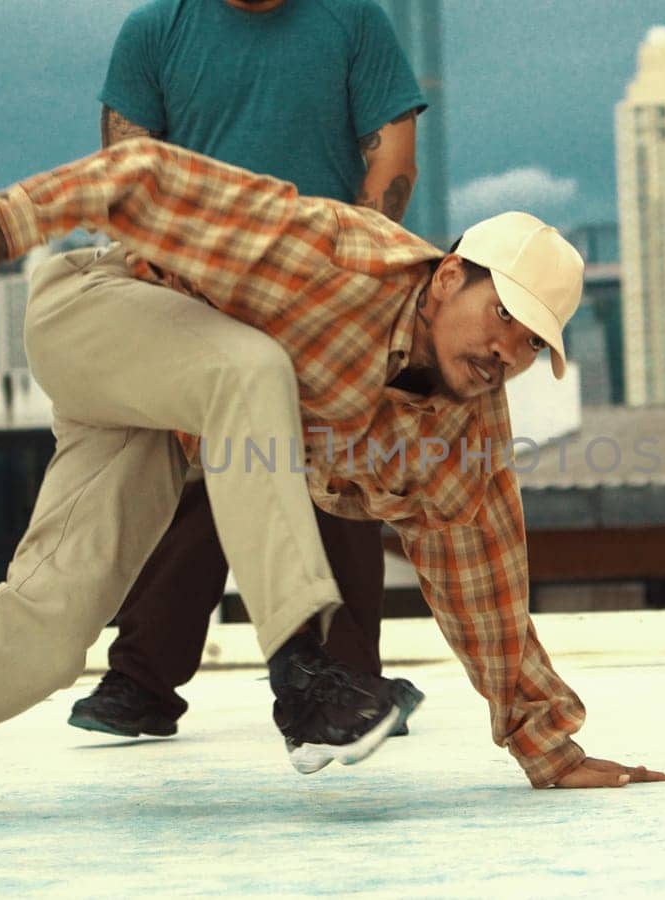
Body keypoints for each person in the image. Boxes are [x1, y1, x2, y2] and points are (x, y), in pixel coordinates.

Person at [0, 138, 665, 833]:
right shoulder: (334, 256)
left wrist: (547, 745)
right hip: (98, 312)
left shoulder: (462, 435)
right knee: (252, 368)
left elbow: (485, 580)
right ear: (449, 273)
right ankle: (302, 680)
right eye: (499, 316)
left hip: (165, 423)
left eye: (528, 344)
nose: (503, 351)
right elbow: (146, 175)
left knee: (36, 636)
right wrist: (2, 234)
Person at [70, 0, 426, 740]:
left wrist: (359, 265)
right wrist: (166, 275)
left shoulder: (352, 19)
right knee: (221, 475)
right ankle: (146, 682)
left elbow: (392, 157)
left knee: (334, 473)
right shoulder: (155, 31)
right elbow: (126, 173)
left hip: (325, 282)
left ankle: (158, 683)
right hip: (199, 292)